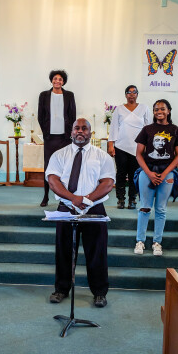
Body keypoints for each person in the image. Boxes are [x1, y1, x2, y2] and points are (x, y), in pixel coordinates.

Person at [46, 118, 115, 308]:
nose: (80, 131)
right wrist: (73, 198)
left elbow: (108, 182)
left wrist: (87, 199)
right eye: (77, 128)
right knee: (64, 251)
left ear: (90, 133)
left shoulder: (102, 156)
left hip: (94, 208)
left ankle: (100, 293)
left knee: (97, 252)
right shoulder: (59, 155)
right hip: (66, 207)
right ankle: (61, 289)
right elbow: (53, 180)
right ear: (71, 132)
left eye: (85, 128)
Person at [134, 99, 178, 256]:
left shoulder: (175, 130)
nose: (159, 112)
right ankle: (140, 241)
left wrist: (164, 174)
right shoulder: (147, 129)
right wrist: (149, 173)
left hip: (167, 172)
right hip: (147, 171)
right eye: (156, 109)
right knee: (144, 207)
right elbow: (138, 154)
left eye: (162, 109)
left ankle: (157, 242)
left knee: (161, 209)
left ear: (168, 111)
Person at [107, 85, 151, 209]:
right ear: (125, 95)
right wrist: (111, 144)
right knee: (121, 173)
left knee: (135, 174)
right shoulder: (119, 109)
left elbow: (148, 128)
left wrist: (149, 146)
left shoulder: (144, 108)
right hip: (121, 146)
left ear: (137, 94)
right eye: (129, 92)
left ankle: (132, 199)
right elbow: (114, 127)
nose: (131, 94)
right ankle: (120, 199)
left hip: (138, 148)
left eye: (134, 92)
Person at [38, 69, 77, 207]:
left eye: (60, 79)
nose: (57, 81)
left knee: (66, 167)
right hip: (50, 138)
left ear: (63, 82)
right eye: (55, 79)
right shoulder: (43, 95)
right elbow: (40, 116)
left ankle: (64, 196)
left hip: (65, 138)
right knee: (48, 166)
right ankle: (46, 196)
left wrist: (71, 134)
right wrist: (45, 133)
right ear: (51, 80)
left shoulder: (69, 95)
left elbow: (73, 116)